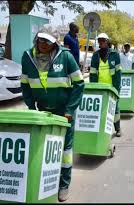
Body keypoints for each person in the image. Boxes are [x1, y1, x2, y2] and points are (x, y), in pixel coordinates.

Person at [20, 27, 84, 202]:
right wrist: (31, 106)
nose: (43, 44)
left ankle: (63, 184)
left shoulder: (66, 56)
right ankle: (45, 179)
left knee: (65, 150)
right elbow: (25, 84)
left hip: (64, 111)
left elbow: (79, 84)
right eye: (41, 40)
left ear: (55, 43)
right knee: (44, 147)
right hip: (41, 111)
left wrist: (70, 110)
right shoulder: (27, 57)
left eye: (48, 41)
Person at [90, 33, 122, 137]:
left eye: (103, 40)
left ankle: (118, 129)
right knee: (100, 109)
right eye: (99, 41)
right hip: (100, 88)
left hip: (112, 87)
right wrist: (93, 88)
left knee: (115, 109)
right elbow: (93, 73)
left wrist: (117, 88)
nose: (101, 42)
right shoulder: (95, 56)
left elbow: (118, 73)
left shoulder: (114, 54)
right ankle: (101, 129)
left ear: (107, 41)